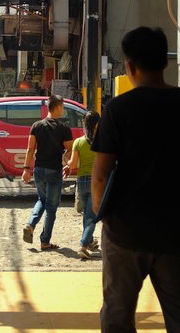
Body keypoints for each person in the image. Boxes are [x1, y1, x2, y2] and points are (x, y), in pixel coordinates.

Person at [92, 27, 180, 332]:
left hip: (125, 232)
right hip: (177, 231)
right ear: (165, 62)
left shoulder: (117, 109)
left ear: (130, 66)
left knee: (118, 314)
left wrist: (102, 216)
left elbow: (100, 174)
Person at [22, 94, 73, 251]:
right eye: (63, 107)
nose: (63, 110)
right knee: (51, 207)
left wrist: (26, 169)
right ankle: (45, 241)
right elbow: (71, 149)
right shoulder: (64, 128)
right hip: (54, 171)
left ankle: (30, 225)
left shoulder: (36, 126)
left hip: (38, 170)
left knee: (42, 200)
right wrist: (67, 162)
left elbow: (30, 148)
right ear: (57, 107)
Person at [64, 111, 101, 259]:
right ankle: (83, 245)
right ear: (98, 124)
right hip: (96, 182)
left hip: (81, 182)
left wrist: (66, 163)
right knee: (91, 217)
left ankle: (90, 241)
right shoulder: (103, 141)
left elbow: (72, 164)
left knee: (86, 214)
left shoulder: (78, 142)